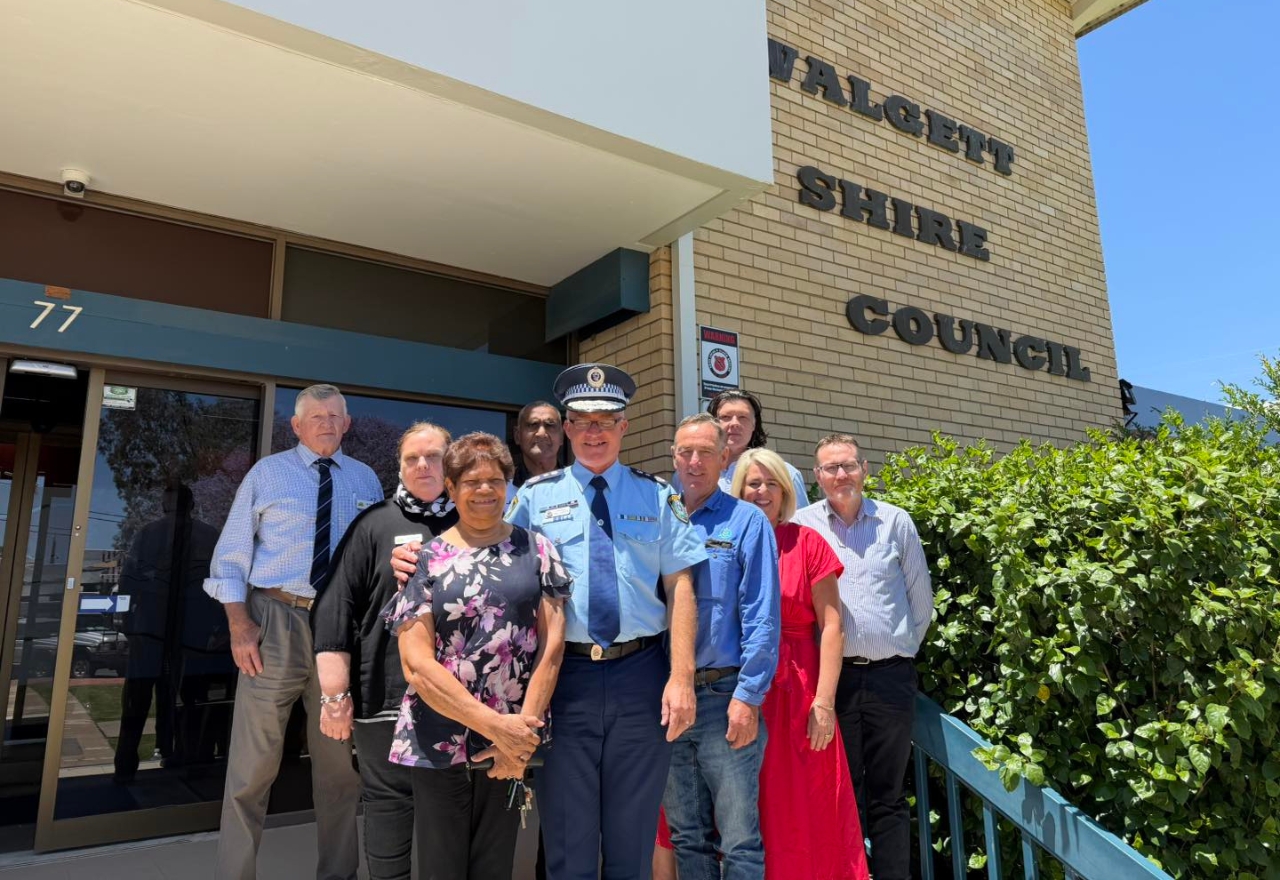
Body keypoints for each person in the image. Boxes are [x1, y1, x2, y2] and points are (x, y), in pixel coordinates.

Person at [396, 364, 707, 880]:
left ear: (624, 426)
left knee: (633, 841)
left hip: (642, 676)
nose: (594, 431)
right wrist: (414, 559)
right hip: (565, 680)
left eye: (606, 420)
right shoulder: (534, 499)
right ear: (565, 429)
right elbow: (481, 553)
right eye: (581, 420)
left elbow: (681, 588)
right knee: (568, 838)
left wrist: (681, 677)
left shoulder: (657, 496)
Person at [204, 384, 384, 880]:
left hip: (339, 630)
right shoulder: (268, 474)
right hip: (275, 622)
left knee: (338, 771)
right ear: (297, 426)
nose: (327, 424)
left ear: (347, 425)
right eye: (316, 416)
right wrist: (240, 624)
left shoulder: (367, 480)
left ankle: (339, 874)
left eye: (335, 416)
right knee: (251, 768)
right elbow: (231, 558)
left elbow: (375, 561)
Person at [383, 432, 569, 879]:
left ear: (509, 485)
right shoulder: (424, 560)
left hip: (511, 742)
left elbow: (553, 647)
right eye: (471, 481)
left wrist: (517, 739)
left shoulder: (538, 550)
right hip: (439, 738)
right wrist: (498, 728)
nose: (485, 490)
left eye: (495, 480)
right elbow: (417, 665)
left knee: (494, 866)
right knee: (440, 867)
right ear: (450, 487)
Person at [310, 422, 458, 880]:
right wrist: (334, 696)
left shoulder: (475, 522)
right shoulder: (372, 523)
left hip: (459, 703)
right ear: (399, 467)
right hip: (383, 699)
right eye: (412, 458)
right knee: (387, 813)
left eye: (433, 456)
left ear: (451, 464)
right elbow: (334, 611)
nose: (422, 465)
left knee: (447, 822)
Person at [791, 434, 933, 880]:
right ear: (817, 477)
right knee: (838, 792)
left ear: (865, 469)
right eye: (830, 468)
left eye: (848, 465)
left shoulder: (895, 522)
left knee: (888, 795)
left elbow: (921, 602)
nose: (841, 475)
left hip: (892, 680)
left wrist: (899, 648)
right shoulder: (802, 524)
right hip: (833, 683)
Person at [733, 448, 869, 880]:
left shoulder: (806, 542)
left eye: (771, 483)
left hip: (798, 694)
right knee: (742, 805)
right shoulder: (722, 539)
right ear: (739, 489)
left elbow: (832, 626)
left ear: (785, 491)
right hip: (737, 691)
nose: (762, 491)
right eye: (753, 483)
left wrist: (824, 703)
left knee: (805, 808)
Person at [658, 414, 780, 880]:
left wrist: (748, 696)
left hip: (723, 696)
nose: (694, 462)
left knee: (740, 841)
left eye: (706, 452)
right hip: (665, 699)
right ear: (674, 456)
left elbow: (762, 613)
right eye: (685, 452)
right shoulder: (658, 515)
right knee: (688, 837)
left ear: (724, 457)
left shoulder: (746, 521)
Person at [705, 389, 808, 502]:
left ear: (754, 425)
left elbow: (798, 518)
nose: (734, 423)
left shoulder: (785, 474)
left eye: (743, 417)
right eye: (725, 417)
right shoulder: (696, 472)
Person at [511, 400, 566, 487]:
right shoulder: (502, 486)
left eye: (550, 425)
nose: (541, 433)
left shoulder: (578, 483)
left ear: (561, 437)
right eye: (533, 424)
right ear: (518, 436)